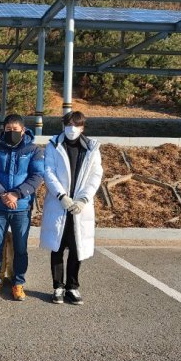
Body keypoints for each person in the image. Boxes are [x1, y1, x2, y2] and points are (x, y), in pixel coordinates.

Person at [40, 111, 103, 305]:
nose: (71, 129)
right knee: (57, 246)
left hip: (80, 207)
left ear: (82, 127)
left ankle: (72, 287)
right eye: (68, 125)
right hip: (59, 204)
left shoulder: (91, 148)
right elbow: (48, 172)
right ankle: (58, 286)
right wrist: (61, 196)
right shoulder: (54, 145)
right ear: (63, 126)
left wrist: (83, 199)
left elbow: (95, 175)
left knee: (77, 248)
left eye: (76, 125)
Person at [0, 114, 44, 301]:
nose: (11, 132)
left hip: (22, 207)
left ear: (23, 130)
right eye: (8, 129)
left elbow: (37, 175)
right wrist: (2, 194)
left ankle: (18, 283)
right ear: (3, 130)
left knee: (21, 247)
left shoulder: (33, 150)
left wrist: (16, 194)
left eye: (15, 129)